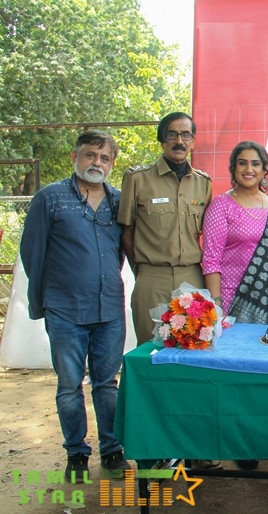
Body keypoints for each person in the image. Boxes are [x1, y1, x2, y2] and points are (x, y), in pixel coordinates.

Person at [20, 131, 131, 482]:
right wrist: (41, 304)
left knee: (107, 383)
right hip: (65, 309)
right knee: (69, 385)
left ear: (112, 164)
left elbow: (122, 250)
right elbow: (32, 253)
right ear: (75, 157)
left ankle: (112, 450)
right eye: (90, 155)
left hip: (109, 307)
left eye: (104, 158)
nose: (96, 163)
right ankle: (76, 453)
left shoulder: (117, 201)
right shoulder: (50, 199)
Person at [118, 111, 213, 345]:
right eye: (172, 134)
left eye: (185, 135)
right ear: (162, 139)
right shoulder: (138, 179)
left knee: (192, 346)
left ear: (193, 141)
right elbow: (126, 232)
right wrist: (140, 270)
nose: (179, 141)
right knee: (150, 348)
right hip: (151, 276)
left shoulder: (204, 183)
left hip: (192, 277)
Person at [202, 141, 268, 325]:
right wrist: (216, 305)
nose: (248, 169)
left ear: (264, 170)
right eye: (242, 163)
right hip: (232, 298)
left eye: (255, 163)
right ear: (233, 168)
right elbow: (211, 260)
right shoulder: (221, 206)